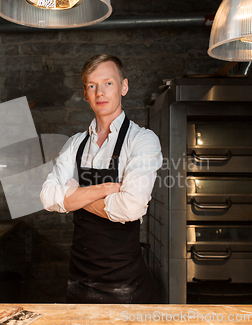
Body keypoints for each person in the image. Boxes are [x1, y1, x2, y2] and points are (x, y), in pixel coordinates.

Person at [40, 54, 163, 304]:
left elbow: (130, 208)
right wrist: (106, 189)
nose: (100, 92)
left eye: (108, 83)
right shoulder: (75, 144)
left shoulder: (142, 139)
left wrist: (75, 195)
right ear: (85, 93)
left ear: (124, 87)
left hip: (126, 284)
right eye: (92, 86)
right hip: (79, 280)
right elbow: (47, 197)